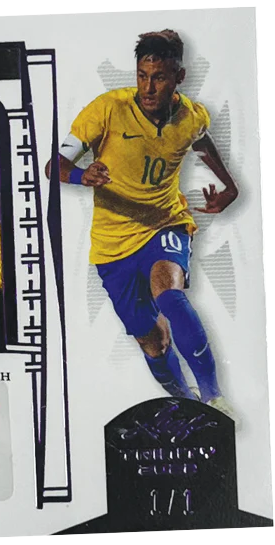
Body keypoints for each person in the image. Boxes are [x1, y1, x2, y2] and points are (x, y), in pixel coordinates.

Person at [45, 29, 238, 419]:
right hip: (112, 243)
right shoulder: (107, 109)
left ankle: (215, 399)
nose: (148, 88)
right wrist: (83, 176)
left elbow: (200, 141)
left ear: (179, 77)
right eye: (142, 76)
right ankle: (185, 402)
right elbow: (54, 167)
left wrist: (229, 185)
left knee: (169, 293)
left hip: (165, 223)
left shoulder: (192, 115)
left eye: (159, 77)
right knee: (154, 343)